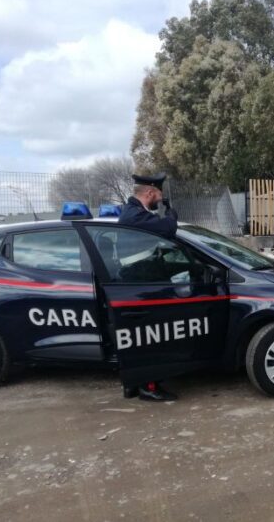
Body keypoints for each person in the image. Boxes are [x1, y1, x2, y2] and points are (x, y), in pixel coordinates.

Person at [118, 172, 179, 401]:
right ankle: (149, 387)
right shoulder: (135, 216)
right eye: (159, 196)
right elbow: (168, 228)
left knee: (140, 338)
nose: (159, 201)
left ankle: (134, 384)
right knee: (151, 338)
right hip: (145, 289)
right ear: (150, 192)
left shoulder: (135, 213)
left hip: (140, 287)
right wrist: (171, 213)